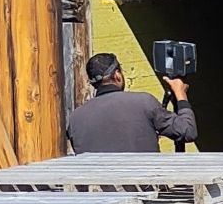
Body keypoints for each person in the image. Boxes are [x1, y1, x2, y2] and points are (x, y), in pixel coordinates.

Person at [66, 52, 197, 153]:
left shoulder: (76, 118)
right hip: (145, 187)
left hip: (96, 187)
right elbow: (188, 131)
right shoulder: (144, 102)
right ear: (117, 74)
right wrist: (180, 93)